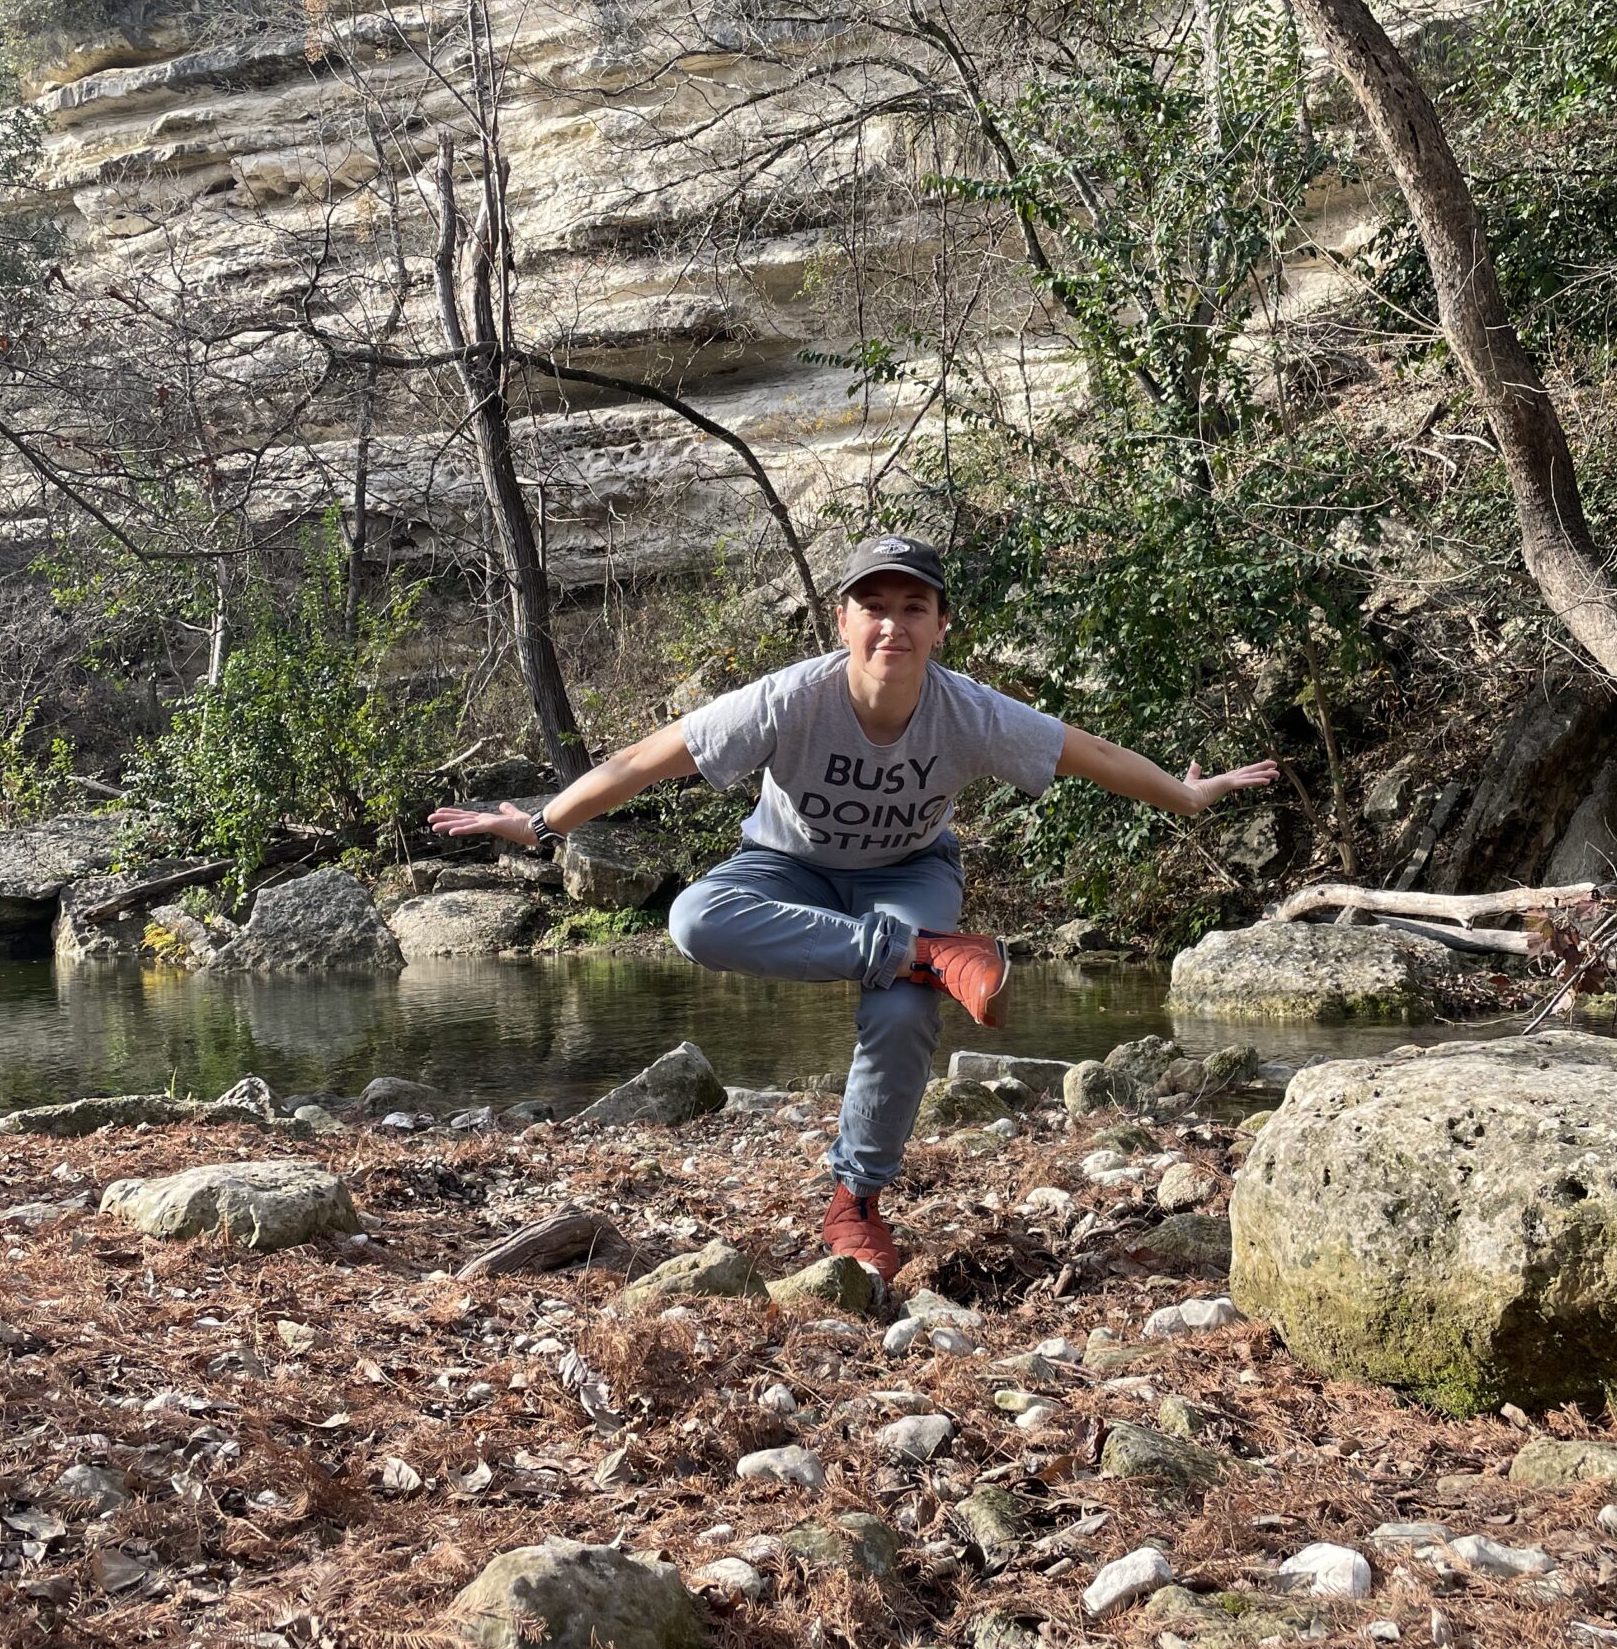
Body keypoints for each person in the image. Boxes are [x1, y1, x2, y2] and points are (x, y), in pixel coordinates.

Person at [429, 534, 1277, 1281]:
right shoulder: (790, 699)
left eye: (914, 608)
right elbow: (647, 758)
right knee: (692, 920)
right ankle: (929, 952)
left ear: (940, 626)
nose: (892, 626)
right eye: (872, 606)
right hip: (783, 868)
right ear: (841, 622)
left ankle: (856, 1202)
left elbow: (1084, 751)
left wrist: (1187, 797)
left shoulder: (970, 711)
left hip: (908, 872)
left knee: (906, 1012)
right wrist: (539, 823)